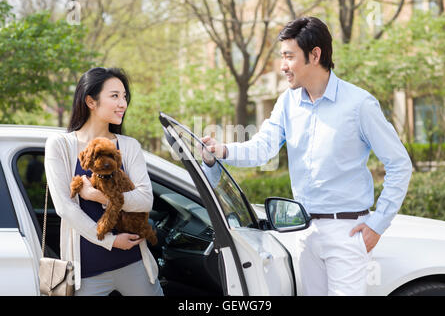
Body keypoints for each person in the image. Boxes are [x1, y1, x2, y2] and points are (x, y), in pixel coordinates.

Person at [201, 17, 412, 296]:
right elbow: (262, 148)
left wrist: (378, 224)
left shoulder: (359, 104)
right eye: (282, 56)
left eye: (289, 57)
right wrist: (223, 150)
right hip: (305, 232)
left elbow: (400, 164)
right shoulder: (288, 103)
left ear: (315, 54)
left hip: (348, 233)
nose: (283, 66)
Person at [44, 67, 163, 296]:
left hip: (134, 263)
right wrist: (110, 241)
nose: (123, 104)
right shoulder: (59, 145)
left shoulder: (129, 146)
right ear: (91, 101)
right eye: (114, 96)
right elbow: (65, 207)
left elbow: (145, 200)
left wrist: (97, 196)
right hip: (86, 273)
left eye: (125, 97)